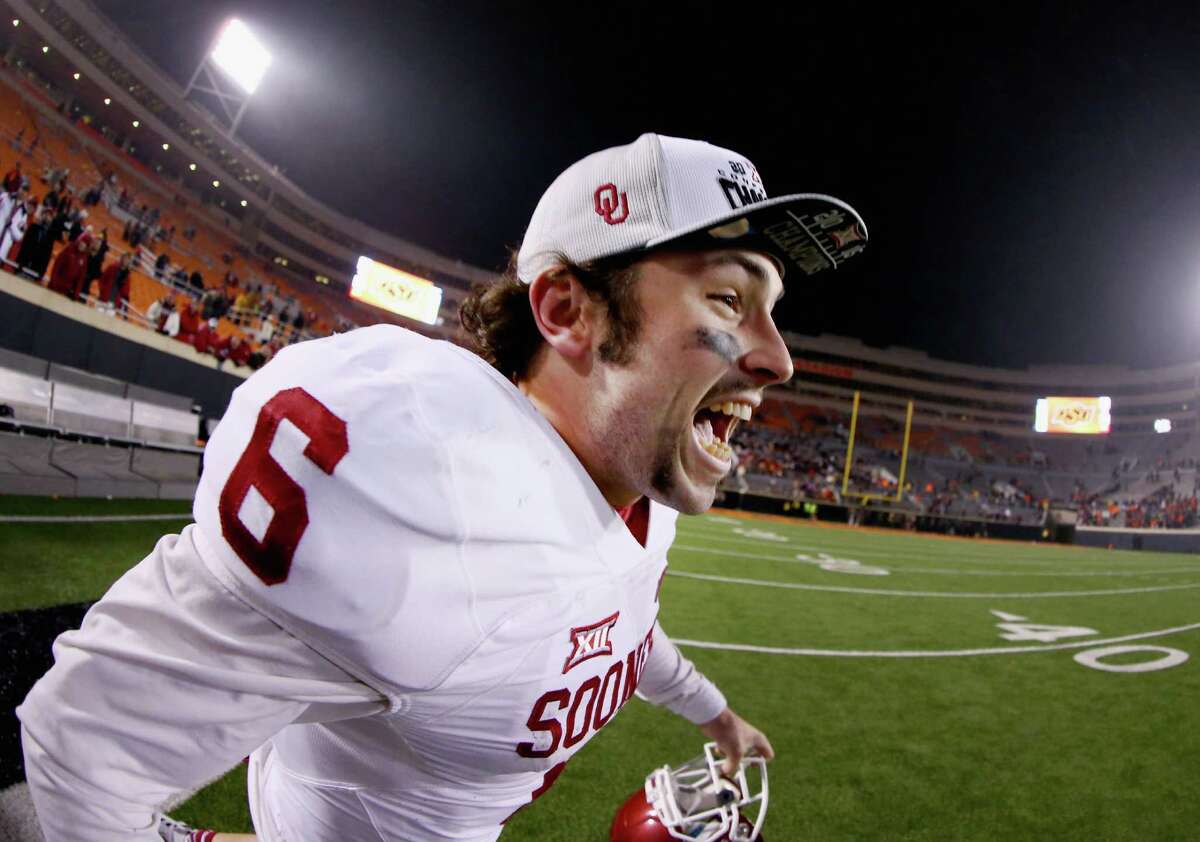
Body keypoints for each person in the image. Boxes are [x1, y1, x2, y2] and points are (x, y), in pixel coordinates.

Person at [18, 133, 868, 842]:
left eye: (772, 310)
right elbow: (80, 752)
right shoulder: (420, 489)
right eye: (727, 298)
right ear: (568, 311)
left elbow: (621, 627)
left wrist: (715, 715)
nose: (777, 358)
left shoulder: (633, 490)